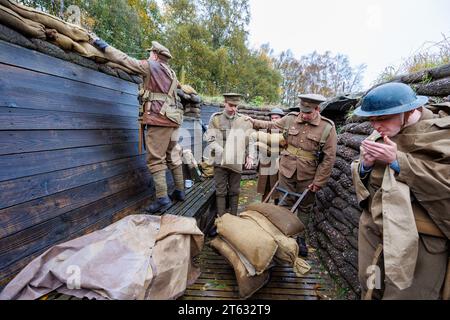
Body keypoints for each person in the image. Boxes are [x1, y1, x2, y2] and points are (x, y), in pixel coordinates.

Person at [351, 82, 450, 300]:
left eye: (383, 118)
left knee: (406, 295)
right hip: (375, 229)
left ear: (408, 111)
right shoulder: (379, 134)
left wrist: (398, 162)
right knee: (369, 286)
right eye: (372, 120)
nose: (376, 126)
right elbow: (364, 176)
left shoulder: (443, 135)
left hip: (421, 238)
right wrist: (365, 166)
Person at [91, 37, 185, 213]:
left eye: (150, 52)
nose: (149, 55)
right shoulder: (171, 73)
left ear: (155, 55)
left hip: (159, 119)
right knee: (173, 155)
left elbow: (125, 60)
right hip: (173, 119)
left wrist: (102, 45)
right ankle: (179, 191)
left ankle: (163, 199)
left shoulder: (151, 65)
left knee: (156, 160)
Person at [249, 94, 337, 257]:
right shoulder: (290, 119)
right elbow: (272, 124)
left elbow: (329, 158)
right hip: (286, 169)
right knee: (284, 203)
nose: (303, 115)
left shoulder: (327, 128)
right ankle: (282, 236)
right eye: (302, 111)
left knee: (304, 207)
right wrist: (252, 122)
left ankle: (300, 239)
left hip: (308, 175)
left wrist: (319, 181)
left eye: (308, 112)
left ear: (317, 109)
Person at [204, 93, 254, 216]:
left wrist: (250, 155)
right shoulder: (216, 118)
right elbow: (210, 138)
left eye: (236, 106)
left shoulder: (243, 120)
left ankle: (233, 217)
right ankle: (222, 219)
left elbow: (250, 139)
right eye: (231, 105)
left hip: (236, 161)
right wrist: (223, 152)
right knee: (220, 191)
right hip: (220, 159)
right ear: (225, 103)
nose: (233, 109)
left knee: (235, 190)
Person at [252, 108, 286, 204]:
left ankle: (277, 206)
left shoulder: (285, 132)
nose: (274, 120)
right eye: (272, 118)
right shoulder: (266, 130)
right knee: (264, 185)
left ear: (282, 119)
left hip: (278, 163)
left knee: (277, 186)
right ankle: (263, 205)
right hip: (265, 162)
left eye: (277, 118)